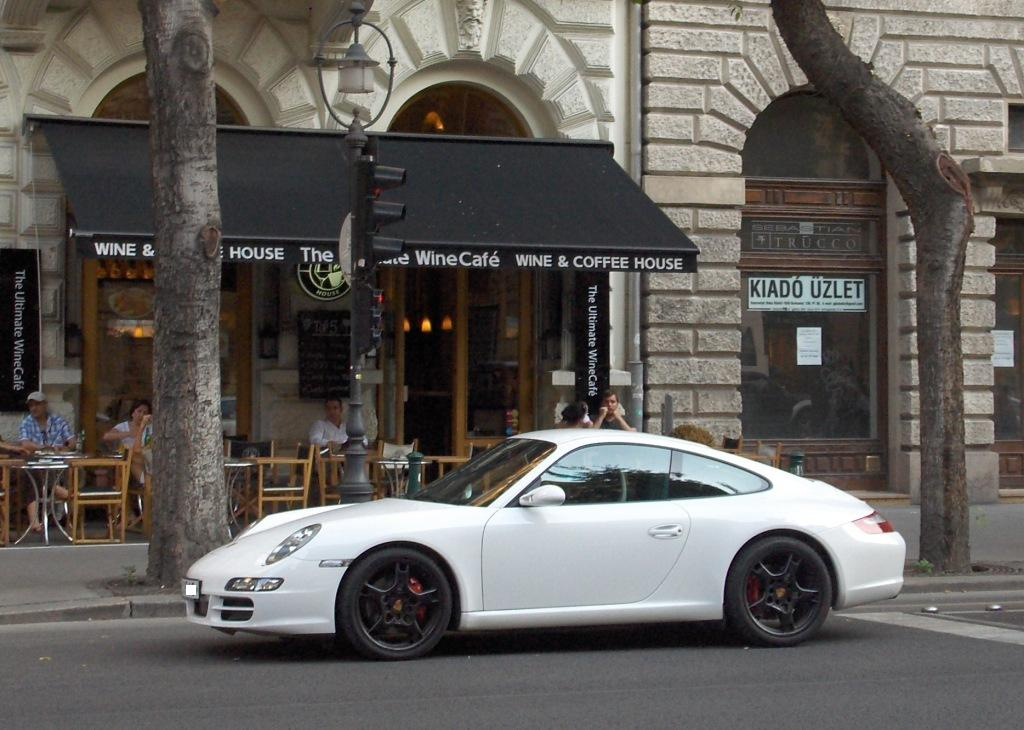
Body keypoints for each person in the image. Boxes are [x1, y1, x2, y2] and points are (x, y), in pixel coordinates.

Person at [18, 391, 75, 533]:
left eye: (37, 404)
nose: (33, 408)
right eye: (31, 405)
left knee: (35, 476)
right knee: (32, 473)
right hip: (38, 463)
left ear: (45, 405)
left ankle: (36, 519)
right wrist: (43, 447)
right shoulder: (27, 422)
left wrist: (64, 448)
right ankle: (59, 491)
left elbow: (72, 442)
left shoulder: (58, 421)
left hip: (59, 462)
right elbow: (24, 444)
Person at [102, 399, 152, 484]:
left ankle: (147, 483)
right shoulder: (124, 426)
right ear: (133, 413)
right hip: (130, 461)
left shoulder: (150, 427)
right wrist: (128, 433)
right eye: (139, 411)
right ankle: (146, 482)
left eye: (145, 413)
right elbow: (107, 436)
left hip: (147, 459)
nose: (141, 415)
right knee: (132, 458)